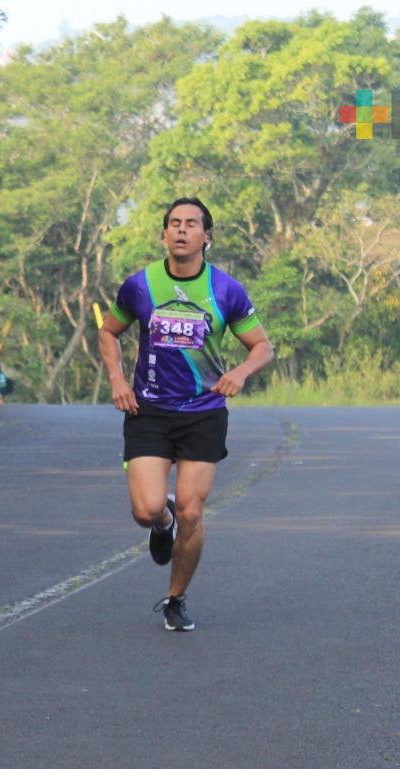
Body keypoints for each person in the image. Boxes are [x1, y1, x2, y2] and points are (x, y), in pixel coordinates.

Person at [97, 196, 274, 632]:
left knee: (194, 512)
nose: (181, 230)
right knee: (146, 509)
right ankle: (163, 522)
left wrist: (240, 373)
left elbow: (262, 347)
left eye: (191, 224)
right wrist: (118, 380)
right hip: (149, 410)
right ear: (164, 234)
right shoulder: (140, 285)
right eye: (174, 223)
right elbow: (109, 332)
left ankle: (175, 599)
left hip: (203, 412)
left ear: (206, 236)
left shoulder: (226, 290)